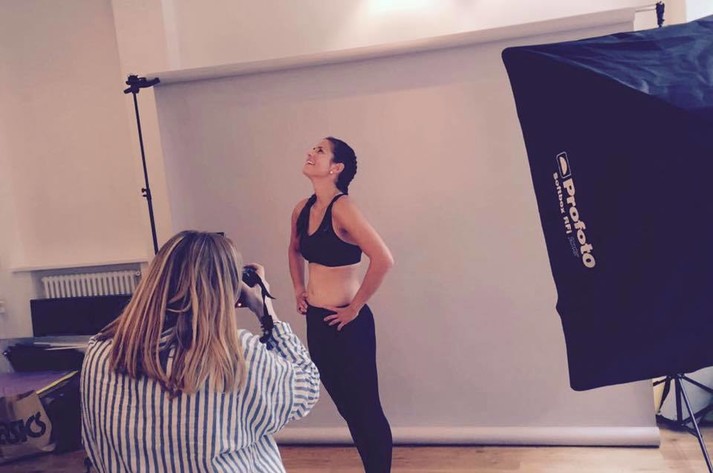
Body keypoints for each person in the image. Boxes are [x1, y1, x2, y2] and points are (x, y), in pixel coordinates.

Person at [80, 231, 319, 472]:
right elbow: (308, 386)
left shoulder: (99, 352)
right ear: (230, 290)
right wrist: (266, 311)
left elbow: (94, 448)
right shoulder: (235, 354)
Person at [288, 137, 394, 473]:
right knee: (348, 409)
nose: (310, 152)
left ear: (336, 168)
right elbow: (294, 249)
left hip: (348, 326)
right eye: (312, 148)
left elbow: (383, 259)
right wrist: (299, 288)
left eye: (320, 151)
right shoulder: (302, 209)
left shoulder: (343, 208)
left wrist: (355, 307)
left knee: (366, 410)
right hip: (318, 322)